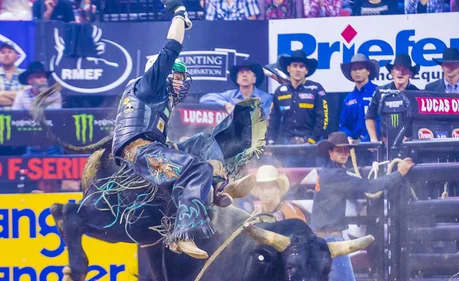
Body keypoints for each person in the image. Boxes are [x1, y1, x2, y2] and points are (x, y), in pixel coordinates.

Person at [110, 0, 256, 260]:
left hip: (153, 148)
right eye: (175, 76)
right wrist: (179, 15)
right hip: (138, 152)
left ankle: (219, 186)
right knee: (196, 167)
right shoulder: (149, 84)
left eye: (181, 77)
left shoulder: (157, 98)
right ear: (160, 74)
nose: (179, 80)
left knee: (203, 141)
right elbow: (172, 47)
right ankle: (183, 233)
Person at [304, 132, 414, 281]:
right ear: (331, 152)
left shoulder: (326, 174)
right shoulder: (338, 176)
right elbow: (370, 185)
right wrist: (399, 173)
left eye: (346, 150)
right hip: (331, 243)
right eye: (340, 150)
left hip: (318, 242)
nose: (344, 153)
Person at [267, 50, 329, 146]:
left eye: (301, 66)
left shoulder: (316, 89)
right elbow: (273, 119)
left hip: (311, 144)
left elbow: (323, 119)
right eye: (295, 66)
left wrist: (312, 141)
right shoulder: (279, 91)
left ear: (306, 70)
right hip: (286, 145)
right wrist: (270, 141)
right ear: (288, 68)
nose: (298, 69)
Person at [365, 53, 419, 143]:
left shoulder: (417, 94)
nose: (400, 73)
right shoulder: (381, 92)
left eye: (404, 69)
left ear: (410, 73)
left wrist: (412, 137)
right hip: (386, 144)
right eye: (397, 69)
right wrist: (373, 139)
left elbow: (421, 122)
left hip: (409, 144)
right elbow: (369, 116)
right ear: (392, 72)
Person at [339, 54, 380, 166]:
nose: (357, 72)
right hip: (354, 150)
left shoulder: (378, 92)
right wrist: (348, 137)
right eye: (354, 69)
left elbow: (382, 120)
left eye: (361, 68)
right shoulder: (348, 98)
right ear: (351, 73)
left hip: (375, 148)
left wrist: (370, 139)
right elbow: (343, 124)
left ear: (368, 71)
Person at [199, 59, 273, 118]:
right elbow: (205, 99)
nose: (244, 75)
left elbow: (267, 119)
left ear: (254, 79)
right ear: (237, 80)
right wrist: (226, 104)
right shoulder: (230, 95)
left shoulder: (267, 99)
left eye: (248, 72)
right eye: (241, 72)